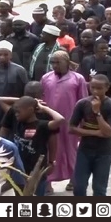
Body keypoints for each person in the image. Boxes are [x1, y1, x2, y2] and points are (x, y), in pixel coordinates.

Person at [40, 50, 87, 193]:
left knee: (72, 151)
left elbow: (84, 101)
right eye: (52, 62)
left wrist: (83, 122)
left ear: (66, 62)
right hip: (51, 122)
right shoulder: (46, 78)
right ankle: (48, 183)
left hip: (71, 121)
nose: (54, 65)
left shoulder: (78, 79)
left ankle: (74, 179)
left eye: (57, 62)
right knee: (50, 152)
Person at [1, 96, 63, 196]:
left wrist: (43, 108)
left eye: (18, 112)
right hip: (19, 170)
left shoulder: (42, 125)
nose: (16, 114)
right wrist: (28, 101)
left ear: (30, 110)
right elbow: (0, 100)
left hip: (37, 172)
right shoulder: (18, 122)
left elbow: (60, 119)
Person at [69, 74, 111, 196]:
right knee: (79, 187)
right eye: (92, 87)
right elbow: (71, 128)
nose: (95, 91)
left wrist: (97, 113)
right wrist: (96, 132)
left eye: (99, 88)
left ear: (107, 88)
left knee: (99, 189)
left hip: (103, 152)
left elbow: (108, 133)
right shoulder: (82, 104)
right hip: (84, 150)